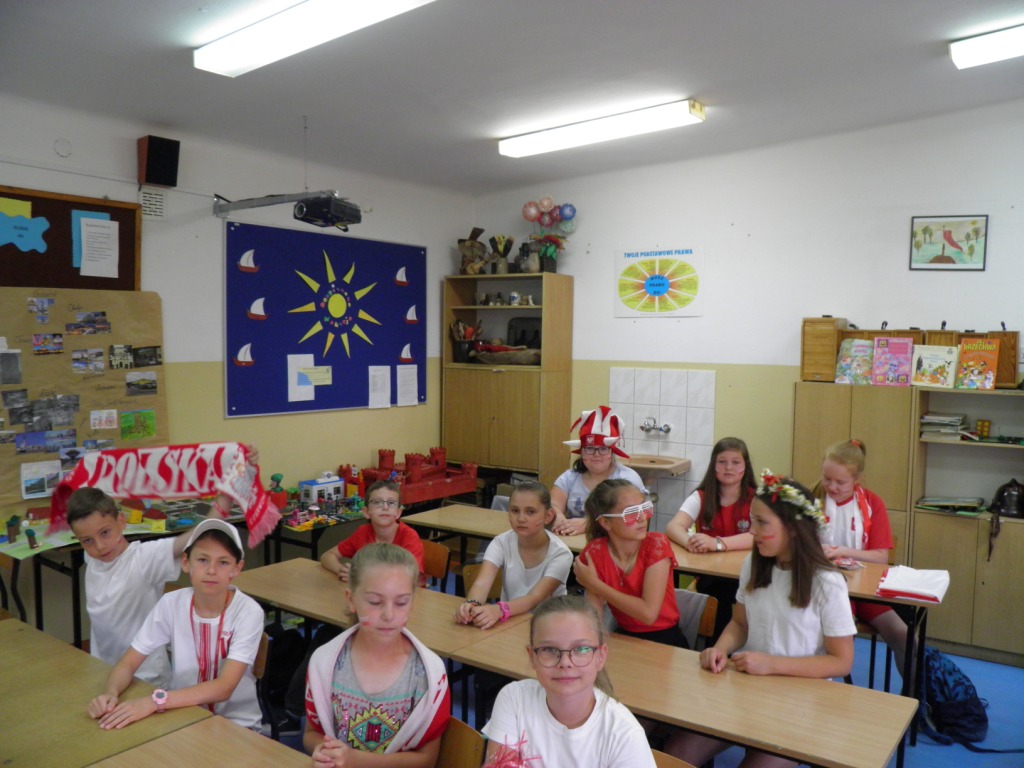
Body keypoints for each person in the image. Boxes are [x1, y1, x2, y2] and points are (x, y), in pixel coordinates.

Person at [665, 471, 855, 768]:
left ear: (793, 528)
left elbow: (841, 661)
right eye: (752, 520)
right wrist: (720, 649)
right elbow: (740, 624)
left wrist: (771, 664)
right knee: (675, 755)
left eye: (762, 522)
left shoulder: (826, 582)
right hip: (748, 685)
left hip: (801, 700)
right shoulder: (753, 564)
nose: (752, 531)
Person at [68, 447, 257, 687]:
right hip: (105, 670)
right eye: (87, 541)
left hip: (146, 678)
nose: (99, 546)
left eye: (105, 533)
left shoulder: (144, 559)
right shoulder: (93, 558)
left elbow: (199, 534)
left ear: (121, 521)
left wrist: (235, 480)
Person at [87, 518, 264, 730]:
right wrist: (110, 692)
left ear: (237, 568)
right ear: (186, 562)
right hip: (182, 716)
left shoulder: (248, 612)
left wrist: (154, 702)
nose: (211, 570)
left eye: (223, 562)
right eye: (203, 560)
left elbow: (224, 687)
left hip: (237, 726)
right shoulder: (171, 604)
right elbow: (128, 663)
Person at [304, 543, 450, 766]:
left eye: (401, 602)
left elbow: (426, 760)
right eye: (375, 602)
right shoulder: (325, 663)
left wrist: (355, 760)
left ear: (413, 603)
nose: (388, 615)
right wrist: (324, 752)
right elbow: (310, 734)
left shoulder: (429, 674)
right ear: (351, 600)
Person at [482, 595, 655, 768]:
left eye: (581, 649)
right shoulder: (514, 699)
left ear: (600, 657)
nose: (565, 662)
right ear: (532, 656)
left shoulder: (625, 734)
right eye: (549, 649)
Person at [816, 439, 909, 672]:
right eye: (827, 478)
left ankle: (914, 692)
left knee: (904, 637)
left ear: (857, 479)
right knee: (840, 634)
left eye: (841, 482)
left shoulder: (871, 503)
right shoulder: (811, 498)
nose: (832, 487)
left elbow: (880, 557)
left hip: (863, 589)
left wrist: (842, 551)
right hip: (822, 588)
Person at [665, 437, 756, 641]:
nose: (728, 468)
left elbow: (757, 536)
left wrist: (718, 544)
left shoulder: (756, 499)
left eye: (735, 462)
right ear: (713, 465)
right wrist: (690, 542)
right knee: (716, 595)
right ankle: (715, 645)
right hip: (711, 576)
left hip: (746, 575)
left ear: (746, 467)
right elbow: (673, 526)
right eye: (722, 462)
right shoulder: (701, 496)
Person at [573, 479, 684, 647]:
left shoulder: (656, 545)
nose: (642, 518)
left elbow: (648, 614)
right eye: (631, 513)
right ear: (606, 523)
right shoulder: (594, 553)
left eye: (644, 508)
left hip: (666, 638)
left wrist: (595, 585)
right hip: (624, 636)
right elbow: (594, 618)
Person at [455, 481, 572, 629]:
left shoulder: (561, 554)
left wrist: (499, 610)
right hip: (511, 620)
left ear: (548, 516)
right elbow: (482, 583)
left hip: (549, 626)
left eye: (530, 512)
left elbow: (534, 598)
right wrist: (472, 604)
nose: (521, 518)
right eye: (515, 510)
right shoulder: (501, 542)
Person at [551, 406, 646, 537]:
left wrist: (589, 524)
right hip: (572, 541)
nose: (596, 454)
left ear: (612, 452)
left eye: (603, 449)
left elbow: (638, 517)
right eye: (590, 448)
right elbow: (553, 505)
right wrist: (560, 520)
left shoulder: (628, 479)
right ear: (581, 452)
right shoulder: (568, 478)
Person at [320, 480, 425, 585]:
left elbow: (413, 578)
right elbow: (327, 556)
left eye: (391, 503)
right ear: (366, 512)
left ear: (398, 513)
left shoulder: (409, 537)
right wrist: (342, 571)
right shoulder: (362, 533)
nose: (385, 507)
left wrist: (363, 576)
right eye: (377, 502)